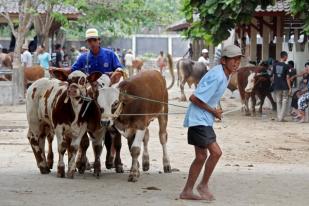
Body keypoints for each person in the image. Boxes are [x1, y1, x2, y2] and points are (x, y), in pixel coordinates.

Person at [180, 45, 242, 201]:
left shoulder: (226, 74)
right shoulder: (218, 76)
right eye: (233, 59)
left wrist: (216, 109)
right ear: (223, 60)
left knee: (201, 156)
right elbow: (194, 98)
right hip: (199, 120)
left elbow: (210, 97)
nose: (236, 62)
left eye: (238, 59)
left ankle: (187, 191)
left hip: (202, 119)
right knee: (216, 153)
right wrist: (213, 111)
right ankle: (202, 185)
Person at [50, 28, 123, 84]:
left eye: (94, 40)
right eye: (89, 41)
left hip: (107, 89)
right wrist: (57, 69)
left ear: (99, 40)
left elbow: (119, 69)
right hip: (89, 90)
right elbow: (71, 70)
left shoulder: (110, 54)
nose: (92, 43)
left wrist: (116, 73)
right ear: (87, 42)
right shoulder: (83, 57)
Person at [271, 51, 291, 122]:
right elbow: (287, 78)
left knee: (278, 101)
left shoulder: (274, 65)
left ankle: (279, 117)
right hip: (284, 86)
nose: (287, 58)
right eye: (287, 56)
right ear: (284, 56)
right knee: (284, 101)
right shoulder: (287, 66)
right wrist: (290, 87)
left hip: (277, 86)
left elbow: (273, 77)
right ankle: (281, 118)